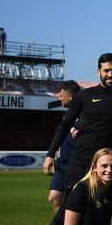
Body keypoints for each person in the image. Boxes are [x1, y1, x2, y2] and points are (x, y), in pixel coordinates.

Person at [44, 53, 112, 188]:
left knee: (102, 208)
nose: (110, 74)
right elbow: (65, 124)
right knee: (71, 207)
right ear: (98, 71)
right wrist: (50, 154)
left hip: (107, 166)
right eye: (106, 70)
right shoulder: (84, 95)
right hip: (80, 162)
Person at [46, 80, 81, 212]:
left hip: (77, 164)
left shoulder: (87, 114)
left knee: (75, 203)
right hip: (62, 164)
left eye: (61, 96)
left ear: (70, 96)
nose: (59, 98)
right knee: (54, 198)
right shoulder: (67, 115)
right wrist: (55, 154)